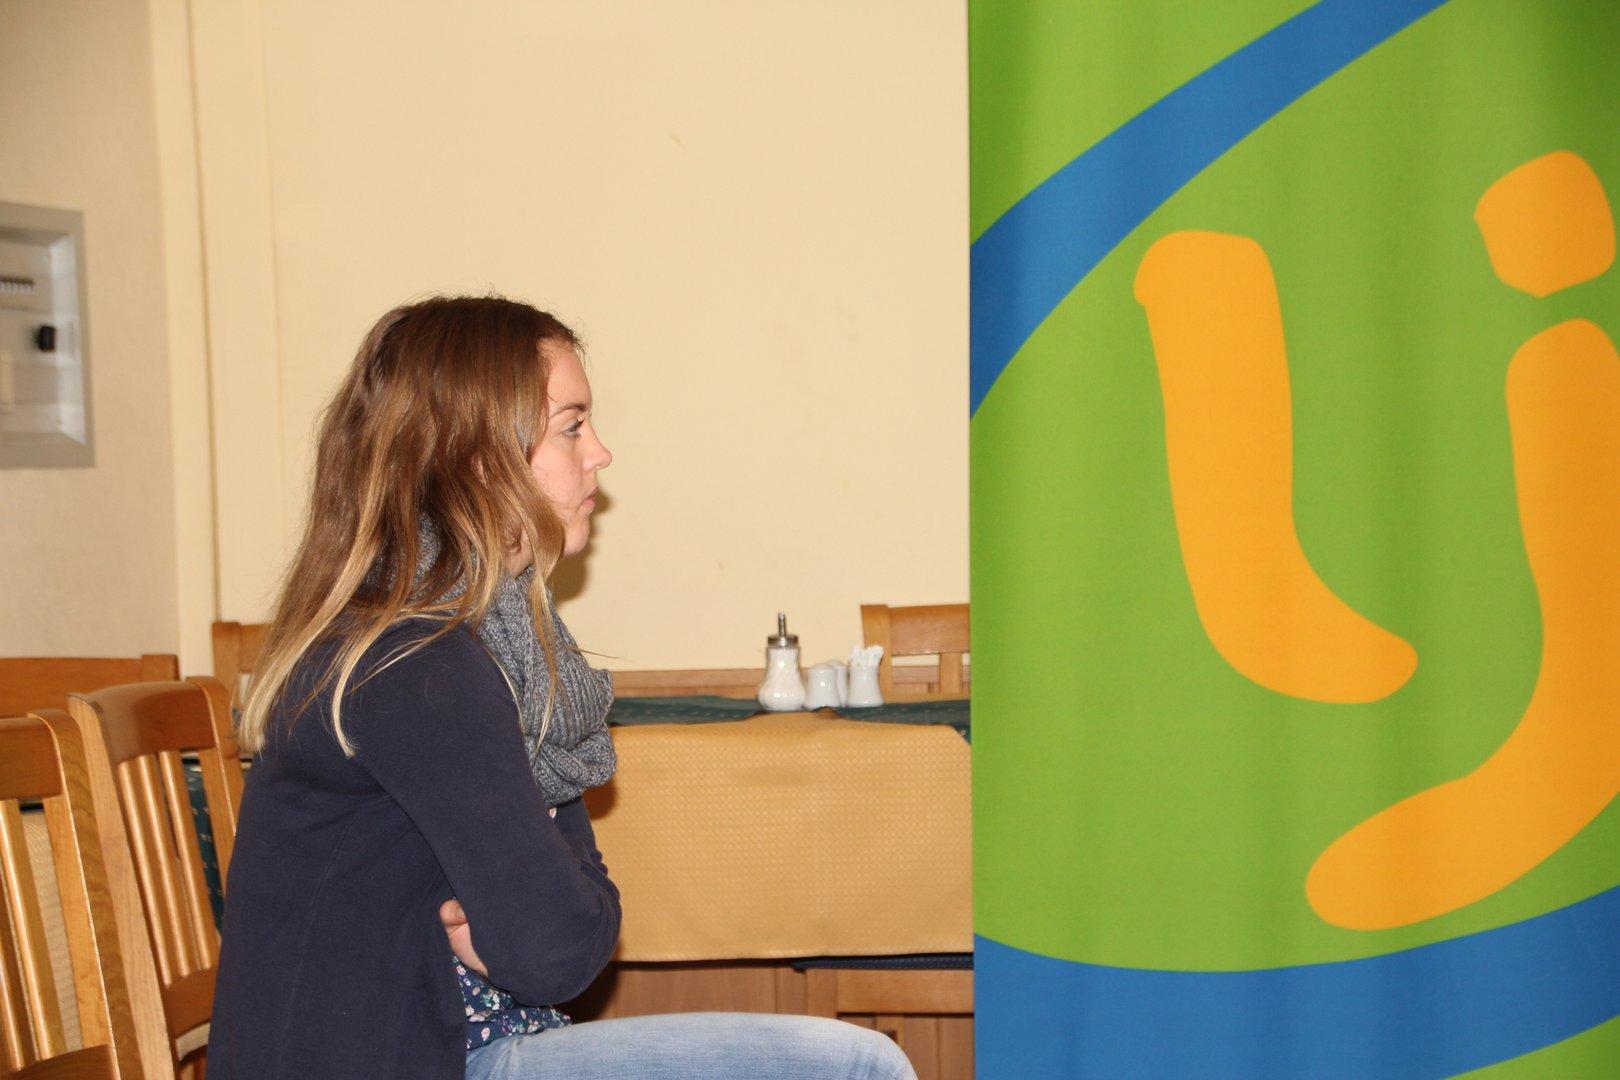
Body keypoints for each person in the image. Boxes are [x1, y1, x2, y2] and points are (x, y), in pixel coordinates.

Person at [206, 295, 916, 1080]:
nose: (601, 453)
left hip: (458, 1045)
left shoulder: (484, 649)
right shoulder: (420, 669)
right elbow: (558, 950)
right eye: (572, 426)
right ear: (479, 459)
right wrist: (536, 921)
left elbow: (570, 930)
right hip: (417, 1059)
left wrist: (540, 918)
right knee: (858, 1069)